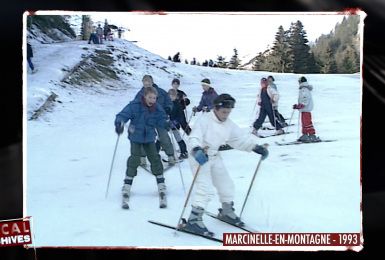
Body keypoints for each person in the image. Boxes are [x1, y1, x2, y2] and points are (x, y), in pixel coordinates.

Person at [182, 94, 269, 236]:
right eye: (224, 112)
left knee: (226, 184)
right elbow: (194, 137)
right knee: (205, 187)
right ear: (216, 108)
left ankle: (227, 211)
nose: (226, 115)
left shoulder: (228, 124)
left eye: (228, 112)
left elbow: (239, 139)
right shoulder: (204, 120)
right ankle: (194, 220)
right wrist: (196, 149)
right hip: (200, 156)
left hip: (214, 155)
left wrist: (255, 147)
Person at [115, 86, 168, 209]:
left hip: (149, 137)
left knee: (154, 158)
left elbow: (161, 119)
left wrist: (167, 124)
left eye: (154, 98)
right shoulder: (135, 105)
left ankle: (161, 184)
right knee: (134, 159)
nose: (152, 100)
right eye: (150, 97)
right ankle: (127, 186)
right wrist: (119, 124)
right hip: (136, 137)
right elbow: (122, 115)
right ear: (144, 97)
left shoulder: (157, 108)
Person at [134, 75, 176, 165]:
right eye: (144, 82)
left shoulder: (160, 92)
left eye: (148, 81)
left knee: (163, 136)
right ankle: (142, 157)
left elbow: (168, 101)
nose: (146, 83)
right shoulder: (140, 93)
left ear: (152, 82)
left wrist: (168, 108)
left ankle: (170, 156)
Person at [293, 76, 320, 142]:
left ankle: (312, 135)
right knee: (304, 122)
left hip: (306, 109)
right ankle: (305, 134)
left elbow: (305, 98)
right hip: (304, 109)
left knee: (307, 122)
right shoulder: (303, 89)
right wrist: (298, 106)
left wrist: (301, 105)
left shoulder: (304, 89)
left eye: (299, 81)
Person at [168, 89, 188, 159]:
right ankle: (155, 153)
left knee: (178, 138)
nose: (171, 97)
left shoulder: (178, 105)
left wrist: (174, 122)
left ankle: (184, 152)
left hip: (174, 125)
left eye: (173, 96)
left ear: (176, 96)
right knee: (160, 138)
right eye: (170, 95)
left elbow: (180, 116)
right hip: (167, 124)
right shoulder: (167, 103)